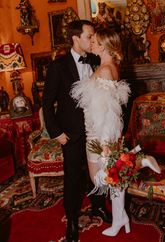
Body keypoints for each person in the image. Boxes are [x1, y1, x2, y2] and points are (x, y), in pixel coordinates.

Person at [70, 28, 161, 237]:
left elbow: (108, 111)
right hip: (100, 131)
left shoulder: (105, 70)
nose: (91, 42)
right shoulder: (109, 67)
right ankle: (121, 218)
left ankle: (141, 161)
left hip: (99, 133)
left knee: (99, 178)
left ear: (103, 46)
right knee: (115, 178)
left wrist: (104, 142)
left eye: (95, 40)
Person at [42, 20, 112, 242]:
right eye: (89, 36)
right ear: (75, 38)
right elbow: (46, 104)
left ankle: (98, 206)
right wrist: (56, 133)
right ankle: (72, 221)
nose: (92, 40)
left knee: (98, 172)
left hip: (95, 129)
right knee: (73, 178)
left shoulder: (95, 60)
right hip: (70, 133)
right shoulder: (58, 66)